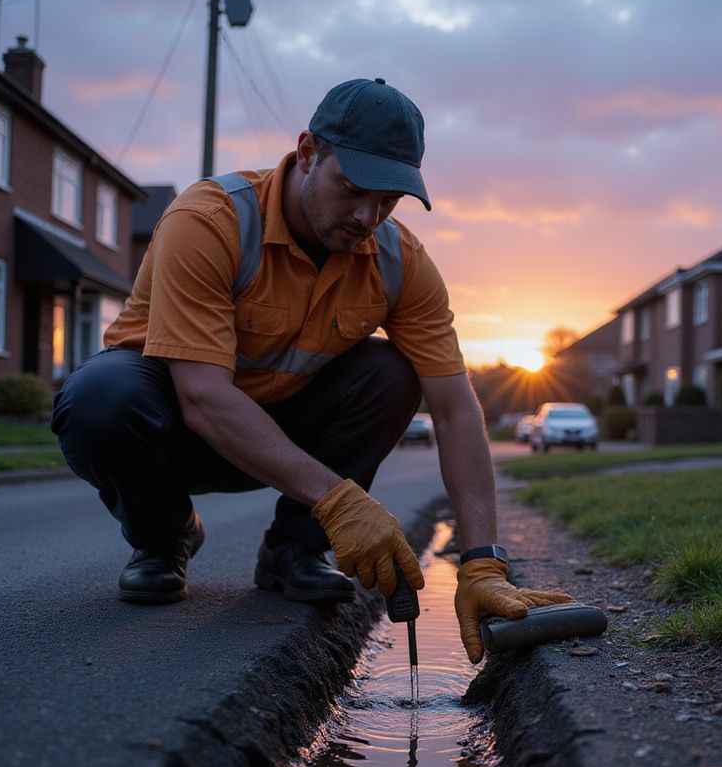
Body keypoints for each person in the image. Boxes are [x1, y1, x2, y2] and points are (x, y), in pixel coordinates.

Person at [52, 77, 571, 663]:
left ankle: (296, 550)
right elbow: (201, 396)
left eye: (389, 201)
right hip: (174, 428)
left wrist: (482, 562)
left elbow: (454, 409)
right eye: (352, 188)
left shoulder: (402, 263)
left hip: (285, 434)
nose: (367, 215)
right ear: (306, 153)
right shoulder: (209, 221)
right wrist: (340, 500)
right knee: (98, 397)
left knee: (395, 370)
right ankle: (163, 537)